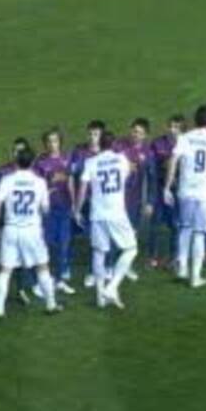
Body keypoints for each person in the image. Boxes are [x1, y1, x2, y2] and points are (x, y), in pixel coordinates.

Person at [164, 105, 206, 289]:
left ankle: (182, 269)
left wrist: (167, 187)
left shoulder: (184, 138)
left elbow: (173, 161)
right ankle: (195, 276)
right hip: (205, 193)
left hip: (185, 190)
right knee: (199, 233)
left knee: (185, 228)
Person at [0, 148, 60, 317]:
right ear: (33, 162)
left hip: (10, 229)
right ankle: (51, 304)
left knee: (5, 270)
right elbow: (45, 210)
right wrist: (46, 198)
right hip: (31, 230)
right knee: (42, 266)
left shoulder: (7, 180)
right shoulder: (39, 182)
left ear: (17, 161)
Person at [77, 133, 139, 309]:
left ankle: (100, 297)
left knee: (99, 252)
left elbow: (83, 188)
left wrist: (77, 209)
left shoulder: (91, 162)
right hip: (117, 212)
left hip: (97, 213)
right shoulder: (122, 159)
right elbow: (127, 176)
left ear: (100, 144)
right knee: (131, 249)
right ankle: (112, 287)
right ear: (113, 144)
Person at [34, 128, 76, 294]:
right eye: (49, 141)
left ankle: (59, 279)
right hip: (48, 210)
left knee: (63, 244)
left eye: (55, 141)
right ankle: (44, 280)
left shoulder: (67, 159)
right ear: (45, 144)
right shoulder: (40, 162)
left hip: (64, 208)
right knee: (47, 244)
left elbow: (71, 182)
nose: (52, 144)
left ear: (60, 142)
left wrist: (74, 204)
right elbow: (36, 186)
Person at [114, 118, 155, 282]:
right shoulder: (119, 146)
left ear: (145, 135)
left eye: (139, 132)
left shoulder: (148, 153)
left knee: (132, 233)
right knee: (115, 233)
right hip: (116, 198)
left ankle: (126, 266)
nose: (135, 134)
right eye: (133, 130)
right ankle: (112, 264)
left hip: (134, 200)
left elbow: (152, 179)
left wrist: (150, 201)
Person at [147, 115, 185, 269]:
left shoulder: (186, 144)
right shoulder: (157, 143)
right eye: (171, 126)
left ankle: (174, 256)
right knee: (155, 223)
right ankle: (152, 256)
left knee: (176, 224)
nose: (172, 130)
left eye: (177, 127)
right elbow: (152, 167)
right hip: (159, 187)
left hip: (178, 190)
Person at [70, 121, 105, 288]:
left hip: (99, 202)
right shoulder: (79, 152)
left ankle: (95, 271)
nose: (92, 137)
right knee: (78, 234)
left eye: (96, 134)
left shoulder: (107, 153)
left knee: (97, 237)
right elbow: (71, 175)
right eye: (90, 134)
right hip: (83, 200)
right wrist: (74, 201)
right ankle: (66, 266)